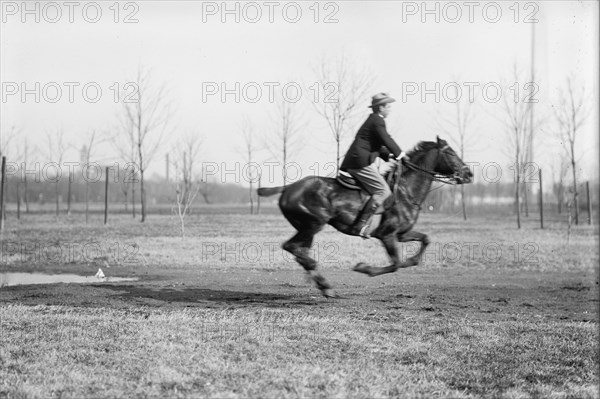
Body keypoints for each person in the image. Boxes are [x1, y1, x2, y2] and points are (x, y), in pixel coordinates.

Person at [340, 92, 408, 238]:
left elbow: (373, 143)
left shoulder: (374, 120)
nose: (390, 109)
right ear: (381, 107)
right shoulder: (378, 120)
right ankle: (361, 225)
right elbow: (386, 139)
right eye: (388, 106)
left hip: (358, 159)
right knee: (383, 191)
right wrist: (400, 155)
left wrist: (388, 155)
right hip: (360, 162)